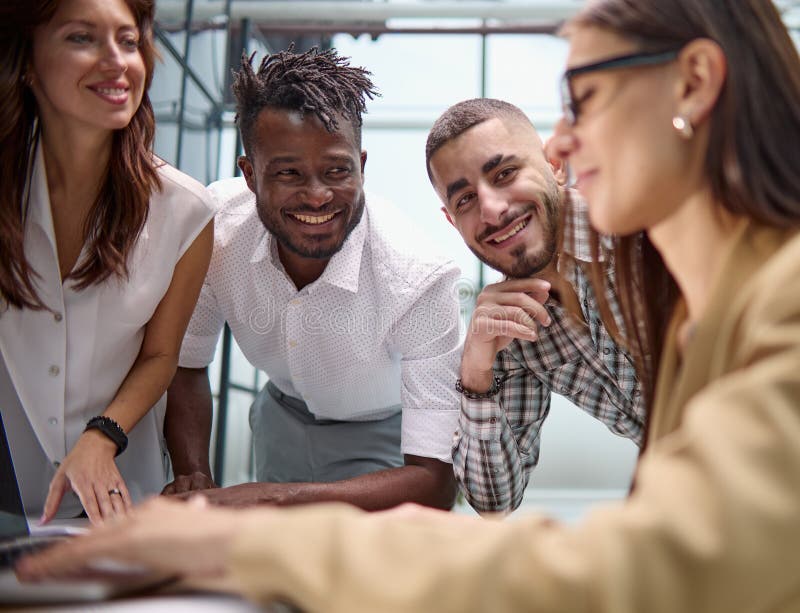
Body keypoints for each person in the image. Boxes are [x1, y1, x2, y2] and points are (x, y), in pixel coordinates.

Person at [18, 0, 800, 611]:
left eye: (582, 97)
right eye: (461, 194)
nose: (561, 143)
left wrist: (254, 539)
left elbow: (639, 573)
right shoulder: (704, 305)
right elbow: (583, 527)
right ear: (250, 175)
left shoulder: (780, 302)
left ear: (693, 83)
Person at [162, 47, 462, 510]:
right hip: (280, 415)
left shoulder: (419, 277)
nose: (318, 196)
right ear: (249, 175)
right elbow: (185, 363)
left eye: (337, 171)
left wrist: (275, 497)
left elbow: (435, 483)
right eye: (288, 173)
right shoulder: (215, 230)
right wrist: (193, 475)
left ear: (361, 165)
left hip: (387, 444)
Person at [0, 0, 214, 525]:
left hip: (119, 496)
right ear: (26, 61)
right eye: (82, 38)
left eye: (127, 40)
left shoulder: (186, 210)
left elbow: (161, 356)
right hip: (11, 492)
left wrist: (103, 436)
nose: (117, 61)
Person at [426, 98, 644, 512]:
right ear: (453, 222)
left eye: (505, 173)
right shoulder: (510, 334)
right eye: (465, 200)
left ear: (554, 166)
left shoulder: (640, 229)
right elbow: (495, 502)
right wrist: (475, 372)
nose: (491, 209)